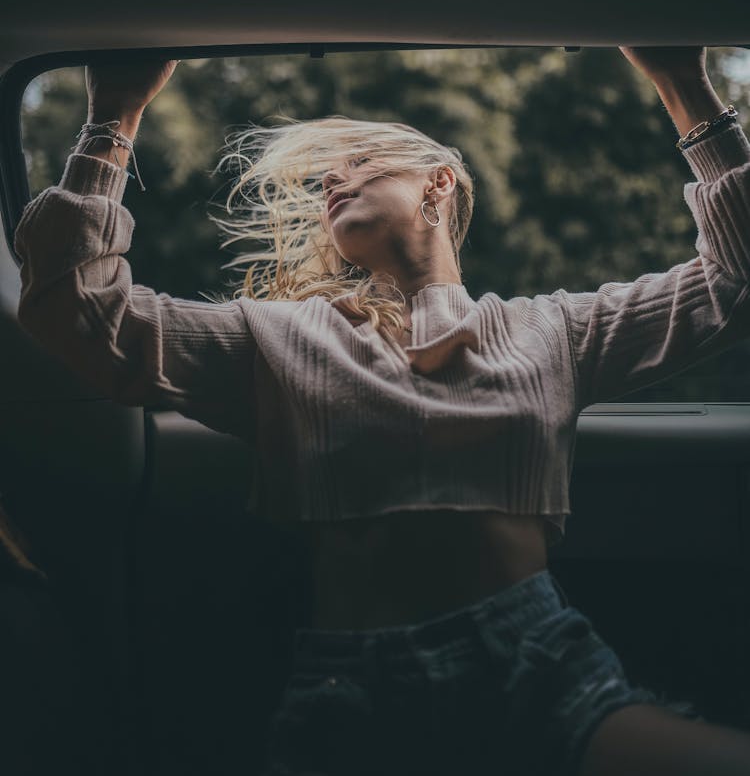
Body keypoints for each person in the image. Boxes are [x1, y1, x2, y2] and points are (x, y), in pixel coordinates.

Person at [13, 46, 750, 776]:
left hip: (541, 663)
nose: (332, 178)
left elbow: (735, 280)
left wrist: (684, 83)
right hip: (353, 689)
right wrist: (113, 116)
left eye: (362, 161)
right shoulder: (279, 337)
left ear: (437, 184)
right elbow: (78, 311)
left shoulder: (553, 329)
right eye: (327, 173)